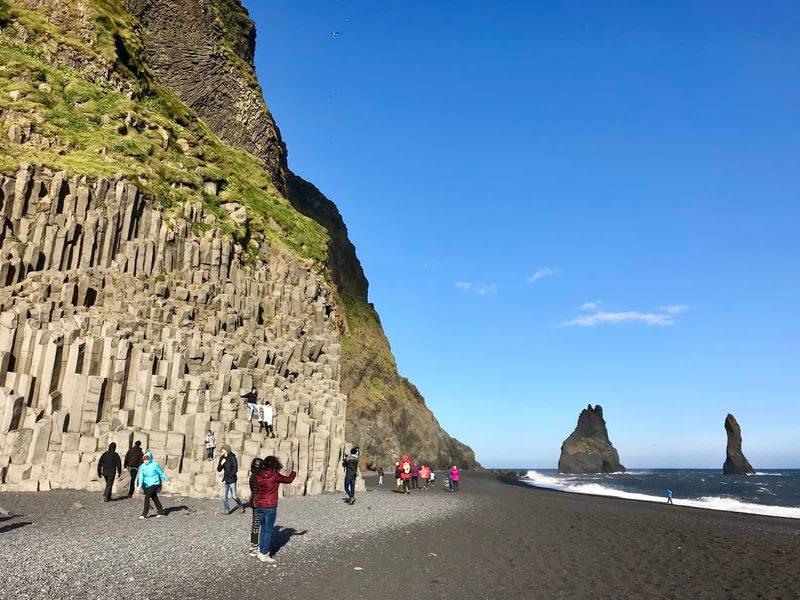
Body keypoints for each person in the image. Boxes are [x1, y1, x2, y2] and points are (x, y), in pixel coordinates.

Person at [253, 455, 296, 563]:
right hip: (270, 505)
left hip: (259, 505)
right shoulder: (274, 475)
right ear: (275, 464)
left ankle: (260, 551)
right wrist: (294, 472)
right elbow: (289, 480)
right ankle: (264, 554)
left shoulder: (259, 475)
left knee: (263, 529)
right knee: (268, 531)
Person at [136, 451, 169, 519]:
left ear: (150, 458)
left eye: (147, 458)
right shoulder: (143, 466)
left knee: (147, 496)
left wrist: (167, 480)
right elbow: (141, 476)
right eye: (144, 458)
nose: (146, 460)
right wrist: (139, 485)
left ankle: (144, 513)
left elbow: (161, 473)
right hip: (147, 484)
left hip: (155, 483)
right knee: (154, 497)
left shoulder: (155, 465)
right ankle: (160, 511)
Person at [217, 444, 245, 514]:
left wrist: (230, 476)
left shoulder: (232, 458)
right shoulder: (222, 458)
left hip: (232, 479)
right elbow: (219, 469)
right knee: (224, 496)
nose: (221, 451)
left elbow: (235, 469)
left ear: (226, 450)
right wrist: (221, 463)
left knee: (234, 496)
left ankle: (240, 505)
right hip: (225, 479)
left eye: (223, 449)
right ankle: (227, 510)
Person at [248, 457, 264, 556]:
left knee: (255, 523)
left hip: (253, 501)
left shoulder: (252, 476)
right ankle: (254, 547)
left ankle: (254, 545)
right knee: (257, 524)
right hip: (258, 502)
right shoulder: (258, 478)